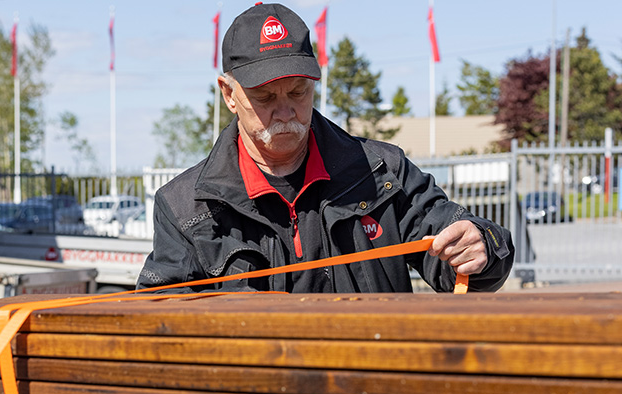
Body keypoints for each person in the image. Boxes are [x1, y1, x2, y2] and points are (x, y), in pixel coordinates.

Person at [137, 2, 513, 294]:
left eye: (299, 91)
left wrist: (482, 245)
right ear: (228, 94)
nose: (285, 111)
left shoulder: (382, 171)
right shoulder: (186, 206)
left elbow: (462, 252)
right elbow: (161, 319)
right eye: (264, 96)